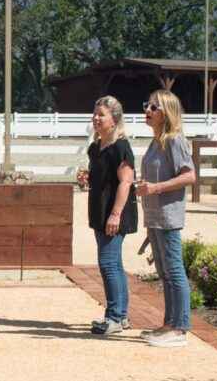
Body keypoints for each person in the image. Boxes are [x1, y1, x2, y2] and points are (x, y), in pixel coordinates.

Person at [136, 89, 197, 347]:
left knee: (174, 271)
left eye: (154, 108)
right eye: (147, 105)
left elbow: (189, 176)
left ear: (167, 113)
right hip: (154, 217)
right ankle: (168, 324)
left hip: (169, 217)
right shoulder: (155, 142)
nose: (147, 111)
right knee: (164, 272)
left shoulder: (175, 140)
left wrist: (155, 188)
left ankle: (180, 328)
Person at [81, 95, 137, 336]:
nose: (96, 118)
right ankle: (121, 316)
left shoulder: (121, 147)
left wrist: (115, 214)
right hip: (100, 211)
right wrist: (86, 179)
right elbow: (101, 178)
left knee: (107, 263)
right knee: (114, 263)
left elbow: (126, 182)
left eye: (101, 115)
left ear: (114, 119)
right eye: (95, 114)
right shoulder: (96, 147)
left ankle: (114, 316)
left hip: (115, 213)